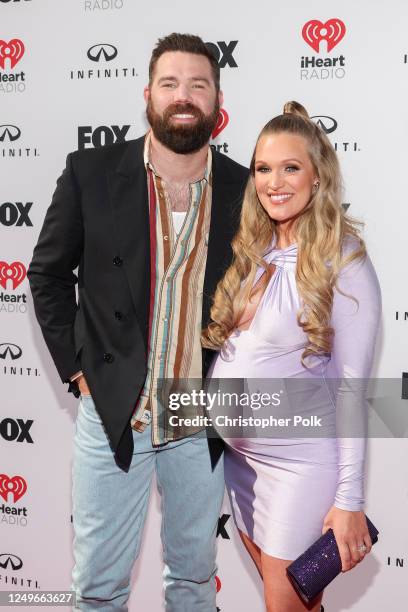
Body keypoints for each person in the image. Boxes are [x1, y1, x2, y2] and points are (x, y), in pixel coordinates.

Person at [28, 33, 248, 611]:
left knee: (195, 579)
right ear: (148, 94)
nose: (184, 96)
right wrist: (80, 372)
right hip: (112, 411)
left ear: (216, 100)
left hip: (197, 414)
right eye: (171, 83)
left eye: (198, 85)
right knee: (98, 588)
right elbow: (47, 275)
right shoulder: (90, 173)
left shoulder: (244, 188)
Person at [202, 101, 381, 612]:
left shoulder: (341, 260)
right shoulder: (254, 251)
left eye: (290, 167)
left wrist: (348, 501)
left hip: (300, 466)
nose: (273, 182)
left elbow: (351, 389)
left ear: (318, 177)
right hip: (243, 466)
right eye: (263, 168)